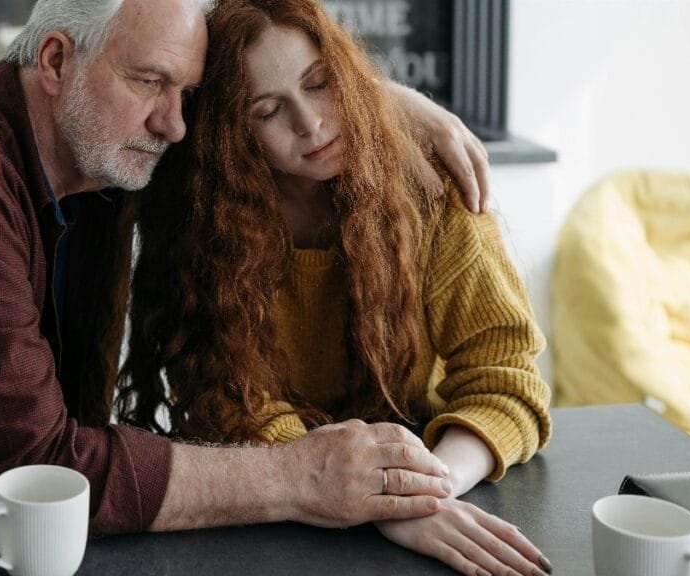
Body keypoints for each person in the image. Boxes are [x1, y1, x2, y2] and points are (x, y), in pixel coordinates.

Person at [0, 0, 484, 538]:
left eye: (184, 93)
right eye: (150, 83)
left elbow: (258, 68)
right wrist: (303, 478)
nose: (174, 123)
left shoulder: (104, 145)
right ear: (55, 59)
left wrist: (376, 101)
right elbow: (44, 469)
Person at [116, 0, 553, 574]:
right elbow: (228, 407)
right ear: (230, 132)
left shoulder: (429, 184)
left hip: (435, 485)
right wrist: (359, 492)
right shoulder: (209, 222)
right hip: (279, 514)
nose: (311, 123)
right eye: (268, 111)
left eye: (320, 84)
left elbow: (508, 380)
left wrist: (420, 494)